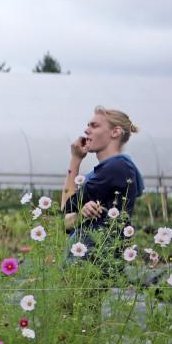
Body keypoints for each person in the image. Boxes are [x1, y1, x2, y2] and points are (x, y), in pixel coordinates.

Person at [61, 106, 144, 260]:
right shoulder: (110, 169)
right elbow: (66, 222)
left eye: (94, 125)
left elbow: (64, 210)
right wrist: (79, 214)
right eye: (87, 126)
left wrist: (75, 160)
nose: (86, 131)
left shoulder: (115, 167)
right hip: (95, 263)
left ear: (115, 132)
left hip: (96, 264)